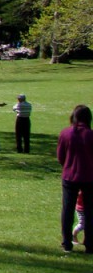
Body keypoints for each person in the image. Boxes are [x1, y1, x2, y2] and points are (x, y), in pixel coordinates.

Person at [57, 104, 93, 253]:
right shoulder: (91, 135)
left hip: (69, 175)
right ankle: (90, 244)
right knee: (90, 210)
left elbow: (60, 156)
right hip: (89, 176)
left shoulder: (65, 133)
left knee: (67, 209)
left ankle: (67, 242)